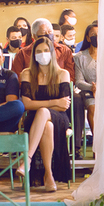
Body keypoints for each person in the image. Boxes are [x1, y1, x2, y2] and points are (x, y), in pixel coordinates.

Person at [20, 37, 71, 191]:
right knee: (47, 125)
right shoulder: (27, 74)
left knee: (43, 112)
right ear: (33, 55)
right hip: (33, 119)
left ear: (52, 53)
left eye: (46, 50)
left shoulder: (62, 74)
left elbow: (64, 106)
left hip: (59, 118)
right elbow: (27, 104)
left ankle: (27, 159)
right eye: (38, 51)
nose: (42, 54)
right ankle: (48, 175)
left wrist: (45, 106)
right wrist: (54, 102)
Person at [11, 18, 76, 79]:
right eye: (44, 33)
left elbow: (71, 76)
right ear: (34, 36)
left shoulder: (64, 51)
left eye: (50, 32)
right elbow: (17, 78)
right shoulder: (22, 54)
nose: (48, 35)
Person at [74, 23, 99, 146]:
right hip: (89, 91)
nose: (97, 37)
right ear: (88, 38)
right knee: (93, 107)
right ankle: (97, 143)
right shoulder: (80, 57)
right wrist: (92, 87)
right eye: (93, 35)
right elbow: (78, 81)